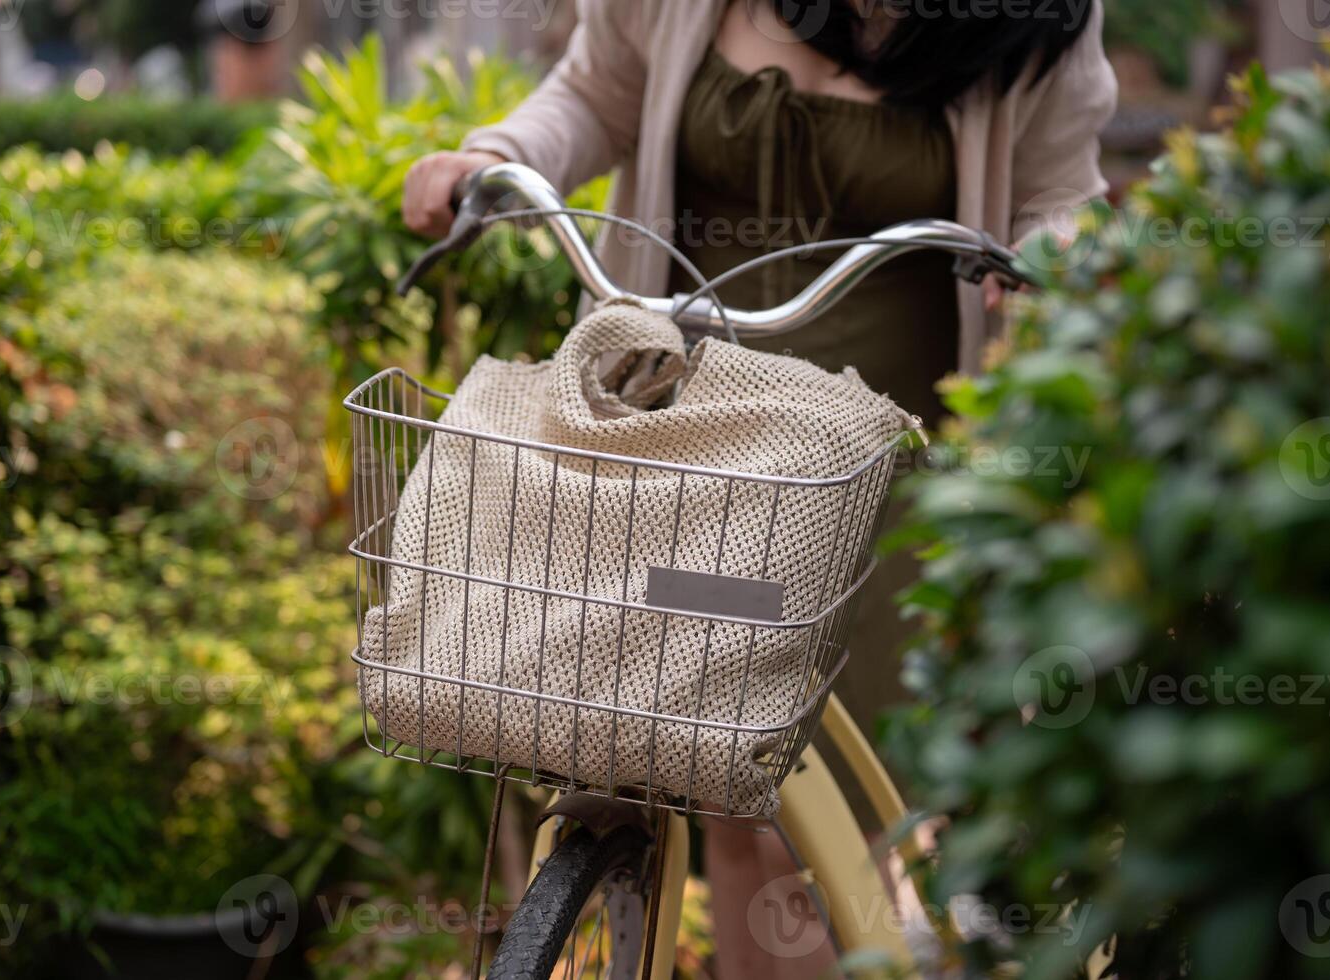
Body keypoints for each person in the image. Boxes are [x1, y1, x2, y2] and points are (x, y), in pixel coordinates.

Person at [403, 1, 1117, 974]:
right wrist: (489, 159)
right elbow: (591, 96)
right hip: (683, 438)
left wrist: (1064, 251)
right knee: (724, 789)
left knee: (818, 810)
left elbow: (1059, 192)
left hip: (874, 464)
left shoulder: (1030, 23)